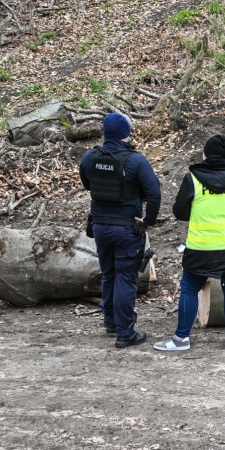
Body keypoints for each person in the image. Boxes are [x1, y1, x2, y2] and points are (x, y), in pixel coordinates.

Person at [154, 135, 225, 352]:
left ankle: (181, 339)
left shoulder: (193, 178)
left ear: (204, 155)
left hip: (202, 248)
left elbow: (179, 212)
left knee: (190, 288)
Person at [79, 112, 161, 349]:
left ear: (105, 134)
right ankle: (125, 333)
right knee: (125, 277)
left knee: (109, 274)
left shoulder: (89, 157)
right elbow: (154, 193)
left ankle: (111, 322)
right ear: (126, 134)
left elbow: (88, 184)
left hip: (100, 227)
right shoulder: (135, 161)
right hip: (126, 228)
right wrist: (148, 221)